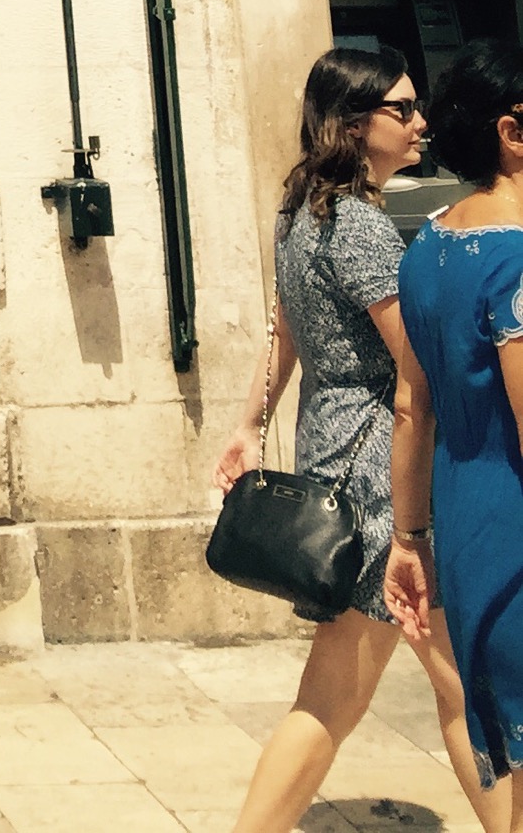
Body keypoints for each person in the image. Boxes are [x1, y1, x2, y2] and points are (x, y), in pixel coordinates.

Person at [216, 45, 503, 833]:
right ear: (353, 122)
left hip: (332, 455)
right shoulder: (362, 228)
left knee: (333, 694)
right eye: (401, 110)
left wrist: (251, 424)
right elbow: (418, 361)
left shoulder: (300, 210)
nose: (419, 124)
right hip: (385, 470)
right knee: (467, 687)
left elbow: (287, 334)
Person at [385, 38, 523, 817]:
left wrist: (409, 540)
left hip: (468, 543)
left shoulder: (428, 244)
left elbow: (413, 406)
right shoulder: (515, 263)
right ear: (512, 131)